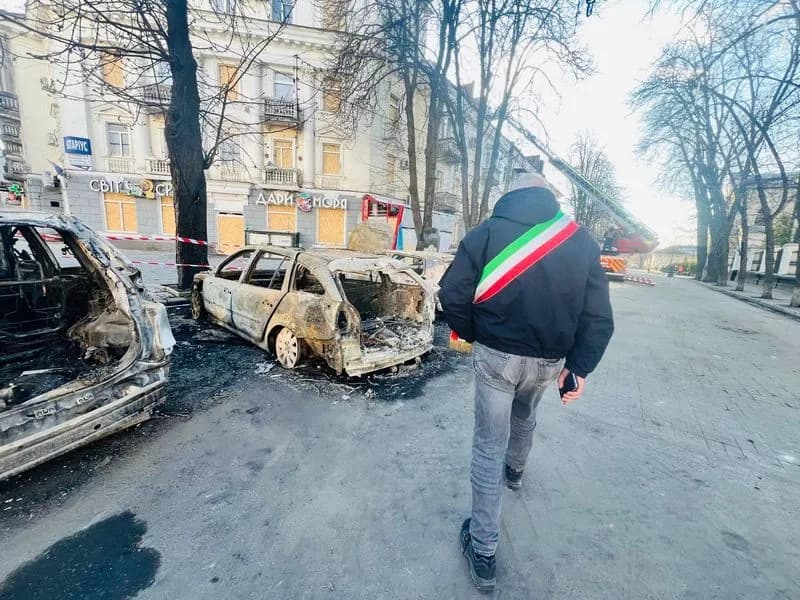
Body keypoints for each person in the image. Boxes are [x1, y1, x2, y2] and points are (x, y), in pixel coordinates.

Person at [439, 172, 614, 591]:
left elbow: (452, 293)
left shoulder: (485, 234)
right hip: (548, 362)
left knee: (487, 445)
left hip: (497, 358)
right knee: (525, 416)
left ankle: (483, 553)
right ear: (547, 198)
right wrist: (579, 369)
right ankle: (515, 472)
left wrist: (473, 333)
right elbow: (599, 318)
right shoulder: (581, 242)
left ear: (509, 198)